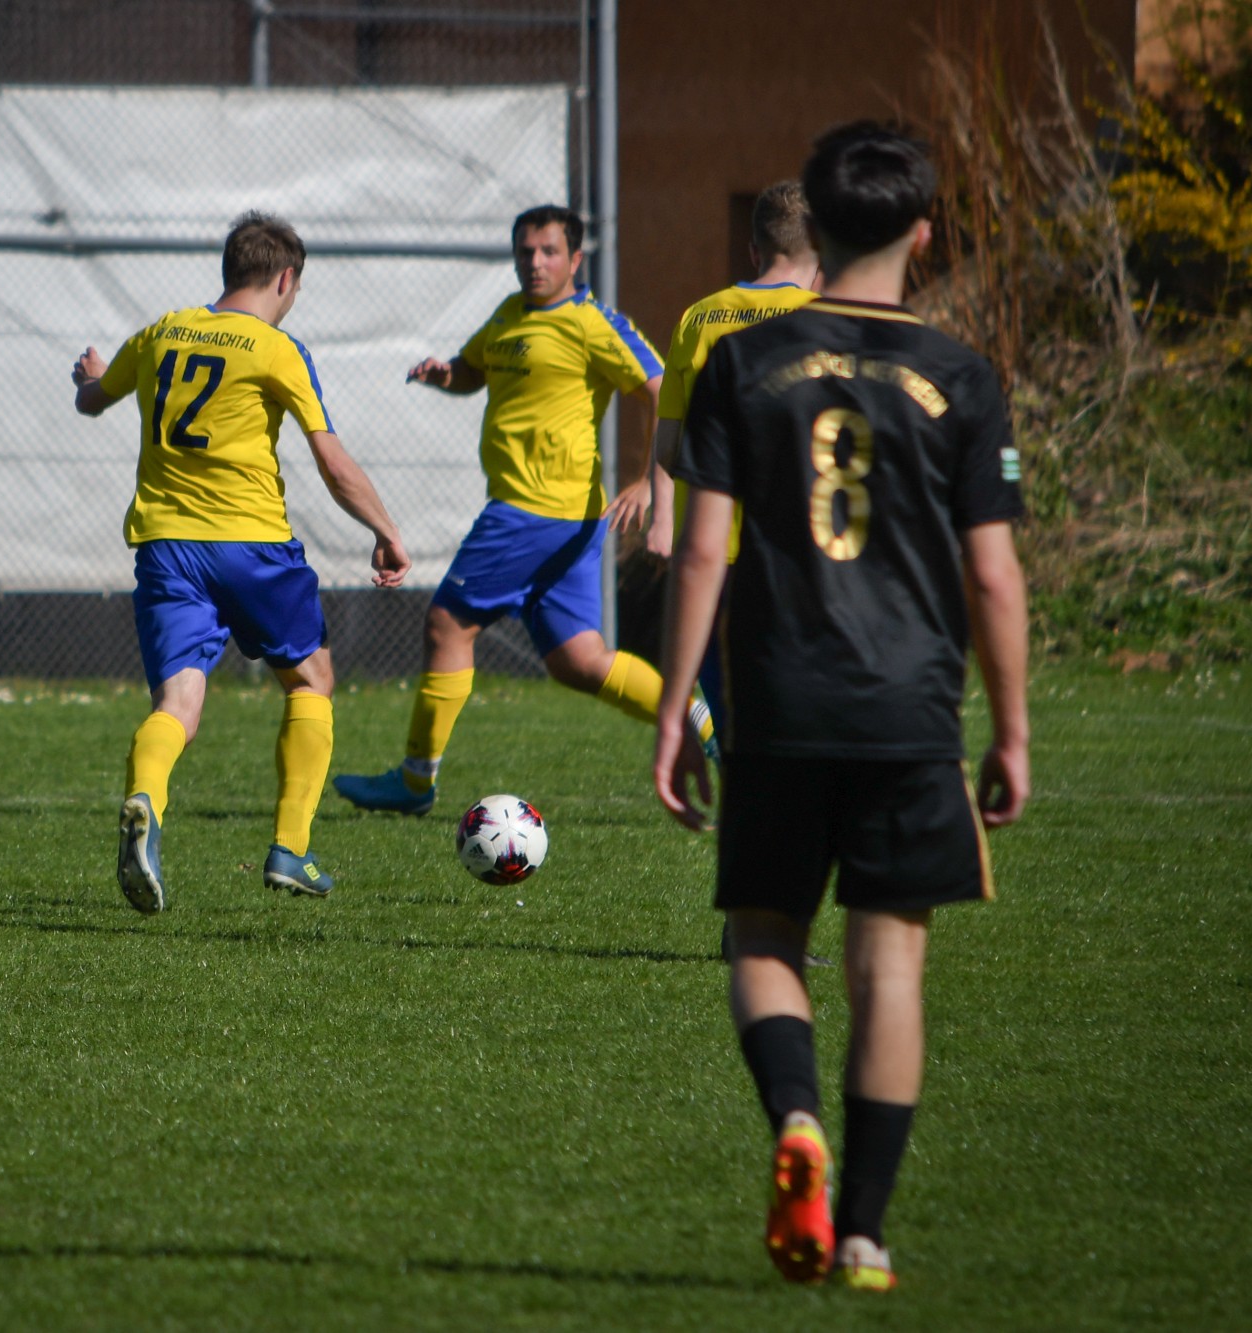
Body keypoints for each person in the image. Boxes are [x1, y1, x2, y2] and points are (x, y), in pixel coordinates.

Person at [652, 121, 1030, 1291]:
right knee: (889, 972)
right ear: (923, 230)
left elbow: (700, 554)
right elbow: (990, 574)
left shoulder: (740, 363)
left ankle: (794, 1125)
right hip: (906, 712)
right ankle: (862, 1232)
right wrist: (1011, 730)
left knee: (764, 935)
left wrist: (676, 706)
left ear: (807, 224)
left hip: (775, 702)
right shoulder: (962, 377)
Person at [72, 211, 411, 914]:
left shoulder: (163, 331)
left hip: (166, 547)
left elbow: (92, 400)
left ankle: (145, 799)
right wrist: (384, 528)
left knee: (178, 705)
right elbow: (332, 461)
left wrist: (96, 373)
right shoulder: (276, 349)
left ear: (229, 269)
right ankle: (290, 848)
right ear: (286, 279)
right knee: (312, 678)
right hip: (252, 545)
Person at [333, 204, 710, 818]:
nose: (535, 263)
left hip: (531, 511)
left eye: (549, 252)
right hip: (563, 521)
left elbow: (665, 390)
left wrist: (648, 482)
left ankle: (414, 780)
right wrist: (445, 374)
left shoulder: (592, 323)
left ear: (576, 259)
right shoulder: (509, 315)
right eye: (526, 252)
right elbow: (475, 370)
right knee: (579, 661)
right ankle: (696, 714)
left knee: (446, 625)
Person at [640, 180, 821, 741]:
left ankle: (736, 763)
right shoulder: (832, 322)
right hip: (806, 544)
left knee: (725, 678)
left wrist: (662, 518)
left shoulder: (700, 319)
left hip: (714, 545)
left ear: (752, 251)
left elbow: (668, 444)